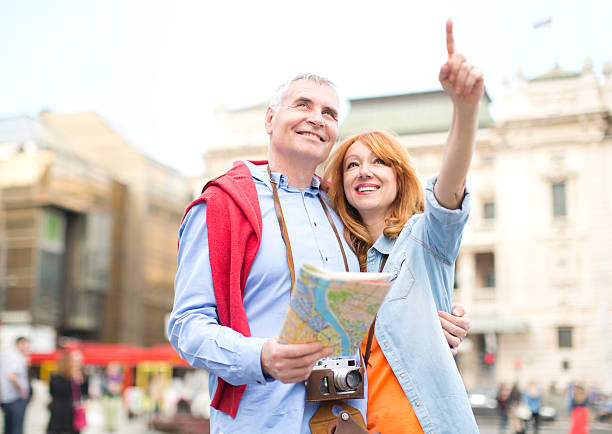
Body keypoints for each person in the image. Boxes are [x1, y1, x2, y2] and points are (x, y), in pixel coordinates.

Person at [168, 53, 470, 434]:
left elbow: (382, 288)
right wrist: (261, 357)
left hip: (343, 423)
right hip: (262, 421)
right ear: (269, 119)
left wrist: (428, 321)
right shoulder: (224, 204)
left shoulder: (344, 212)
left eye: (329, 113)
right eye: (302, 105)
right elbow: (186, 325)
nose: (316, 118)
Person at [323, 20, 481, 433]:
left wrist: (465, 110)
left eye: (378, 161)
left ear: (399, 177)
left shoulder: (424, 239)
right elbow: (331, 383)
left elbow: (450, 189)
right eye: (352, 165)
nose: (364, 171)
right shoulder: (338, 263)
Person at [47, 352, 86, 434]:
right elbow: (79, 395)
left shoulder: (53, 377)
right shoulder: (73, 379)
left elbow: (51, 392)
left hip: (56, 410)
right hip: (69, 412)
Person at [0, 337, 30, 434]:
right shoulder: (17, 357)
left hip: (6, 398)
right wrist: (22, 390)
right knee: (17, 429)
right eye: (26, 345)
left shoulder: (6, 356)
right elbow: (11, 375)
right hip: (16, 398)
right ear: (20, 344)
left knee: (8, 428)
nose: (28, 348)